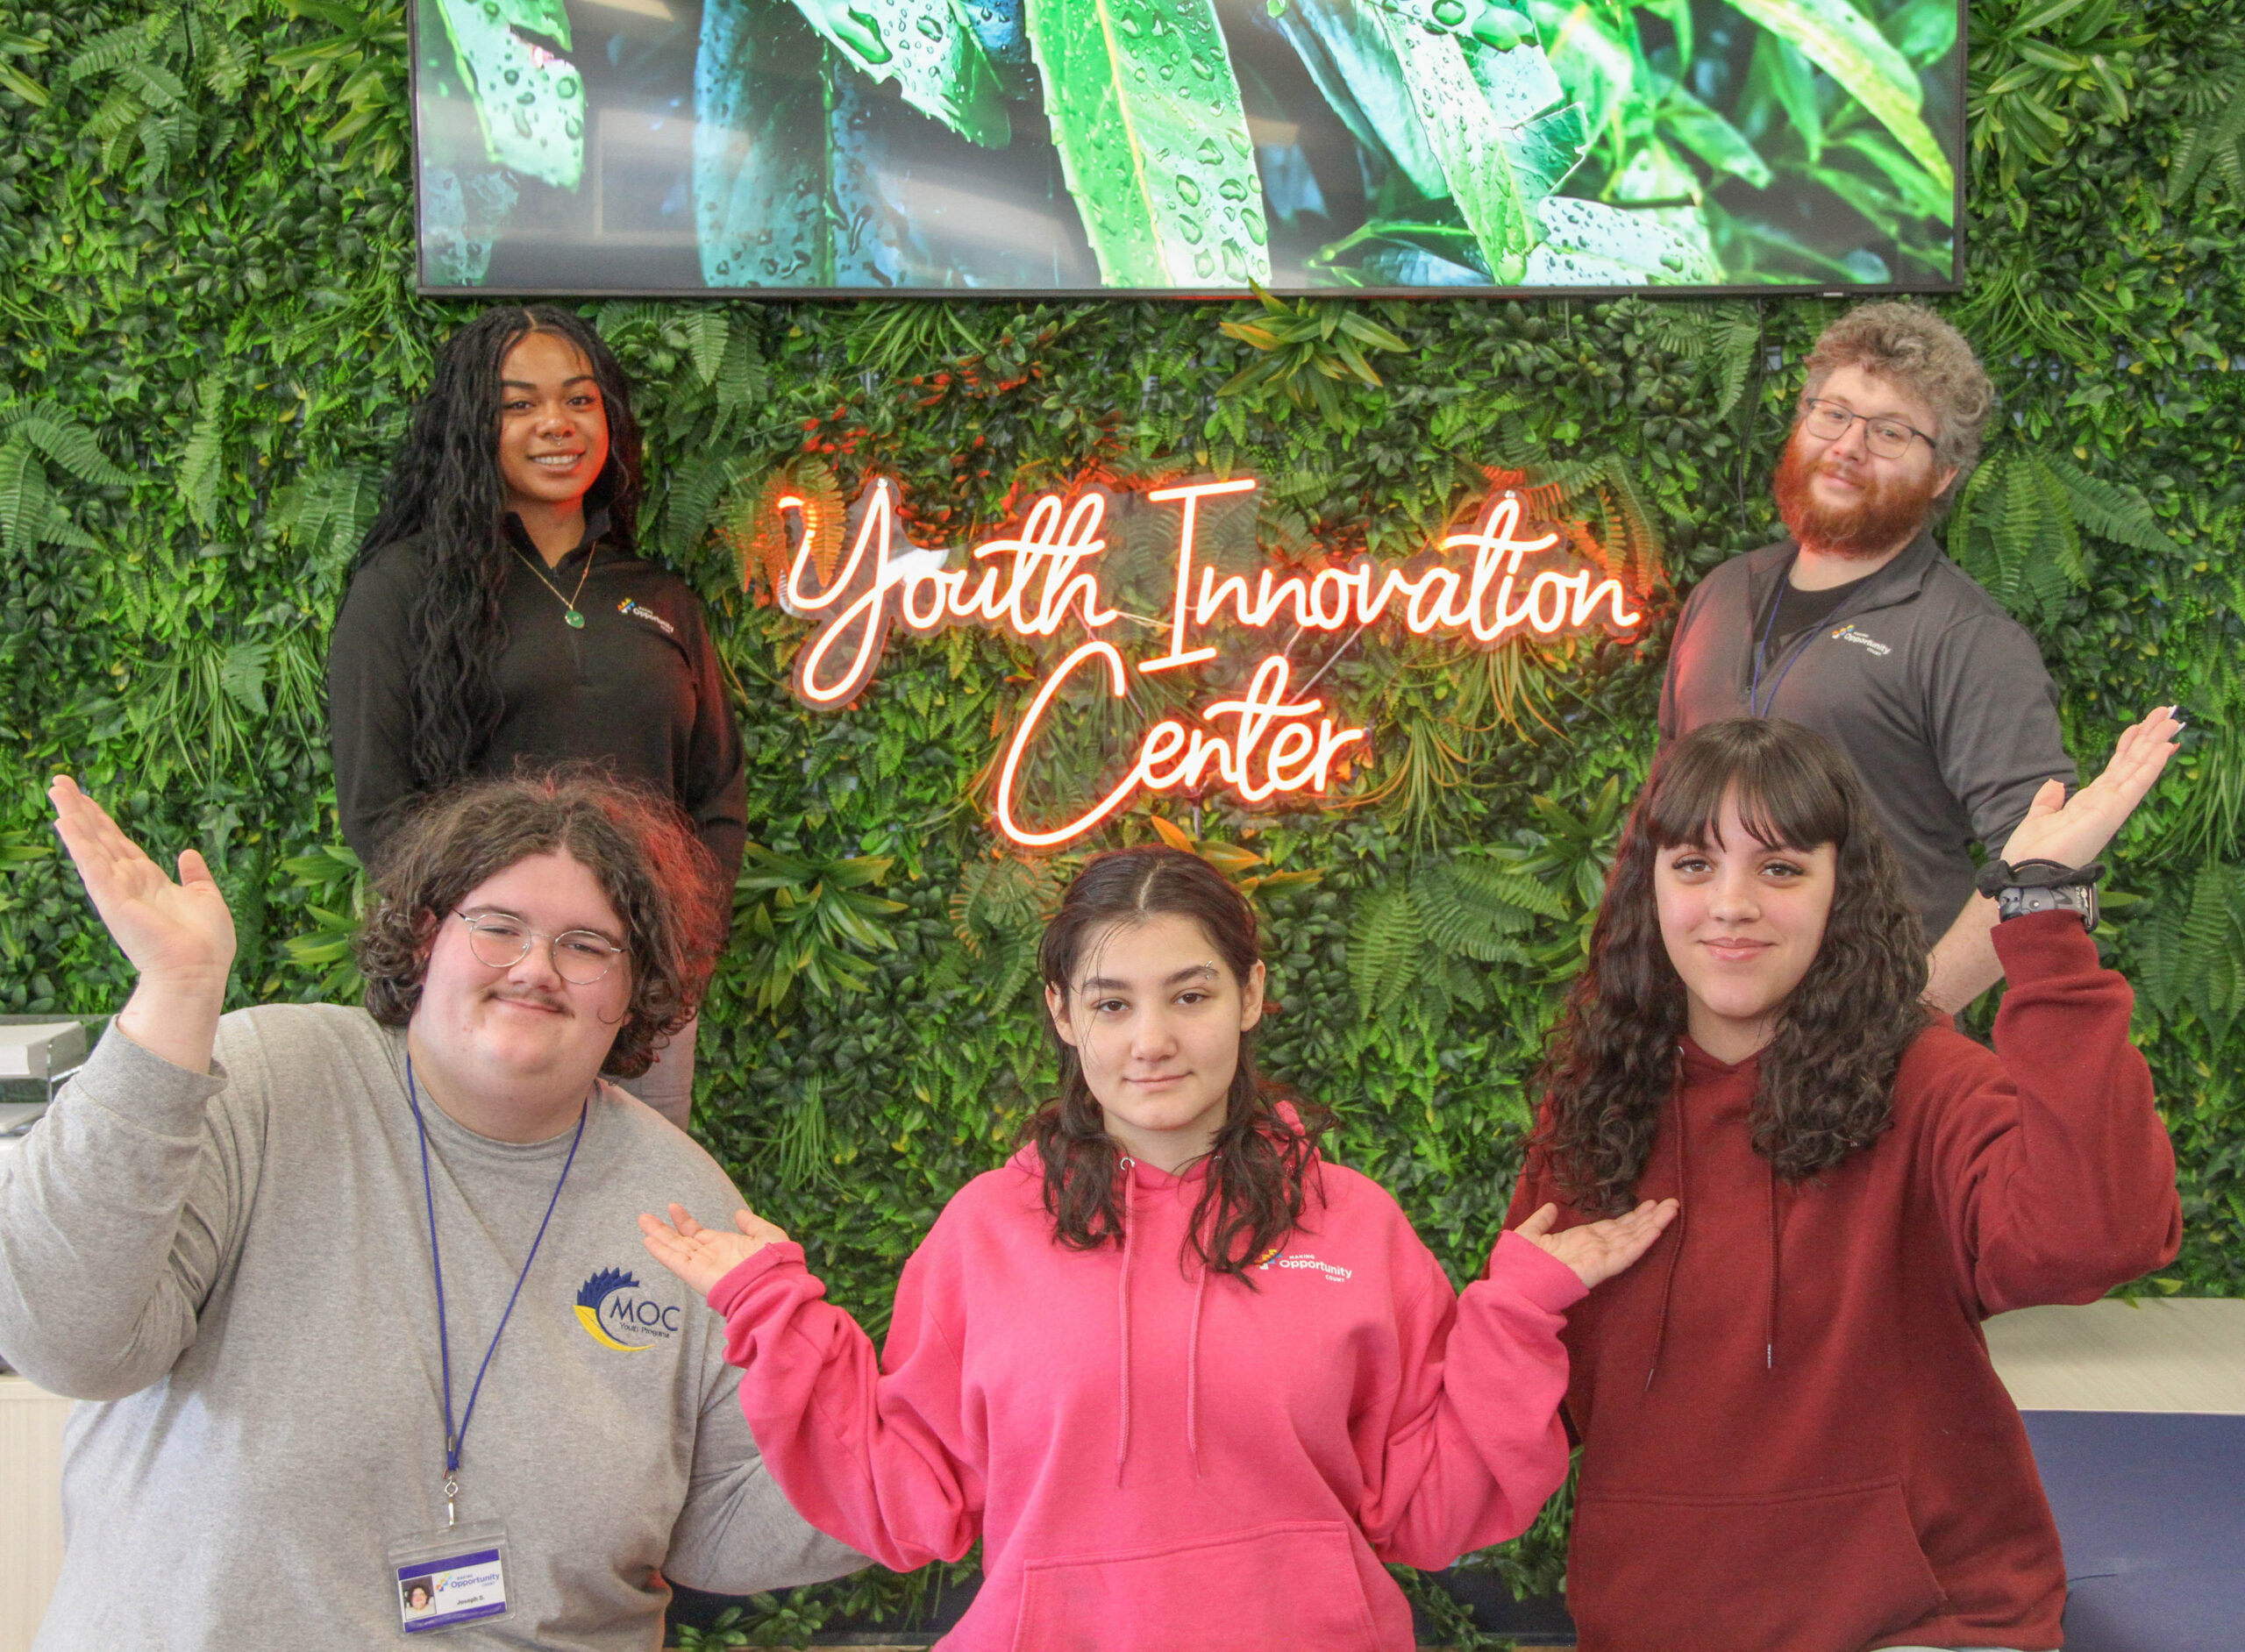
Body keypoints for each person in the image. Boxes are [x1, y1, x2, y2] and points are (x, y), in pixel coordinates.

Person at [640, 846, 1676, 1650]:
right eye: (1111, 1003)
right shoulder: (981, 1235)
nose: (1151, 1042)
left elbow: (1431, 1508)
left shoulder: (1355, 1224)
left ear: (1251, 997)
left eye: (1190, 995)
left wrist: (1517, 1312)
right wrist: (773, 1312)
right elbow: (909, 1503)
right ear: (1061, 1015)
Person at [3, 771, 861, 1650]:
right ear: (424, 939)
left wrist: (954, 1429)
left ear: (632, 988)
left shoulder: (680, 1199)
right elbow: (65, 1337)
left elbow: (724, 1520)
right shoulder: (264, 1083)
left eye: (587, 946)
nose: (537, 969)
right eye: (497, 929)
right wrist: (177, 993)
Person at [1504, 713, 2184, 1652]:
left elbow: (2089, 1242)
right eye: (1695, 865)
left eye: (1779, 868)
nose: (1731, 902)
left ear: (1839, 893)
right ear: (1648, 892)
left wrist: (2040, 915)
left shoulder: (1924, 1083)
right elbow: (1532, 1403)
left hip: (1927, 1622)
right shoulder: (1594, 1113)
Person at [328, 304, 746, 1128]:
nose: (556, 424)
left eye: (579, 400)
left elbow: (716, 795)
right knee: (482, 1210)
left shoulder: (661, 597)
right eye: (518, 404)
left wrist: (675, 953)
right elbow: (379, 811)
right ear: (471, 427)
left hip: (641, 991)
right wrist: (491, 954)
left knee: (635, 1221)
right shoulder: (403, 590)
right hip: (488, 990)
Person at [1659, 302, 2073, 1014]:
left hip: (1872, 1054)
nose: (1849, 446)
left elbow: (2048, 863)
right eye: (1833, 414)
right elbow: (1665, 815)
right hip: (1705, 1037)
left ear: (1941, 474)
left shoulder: (1965, 638)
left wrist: (1915, 1021)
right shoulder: (1721, 595)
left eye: (1889, 432)